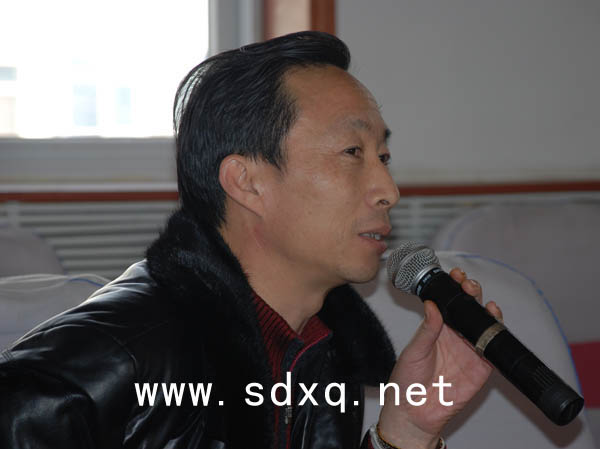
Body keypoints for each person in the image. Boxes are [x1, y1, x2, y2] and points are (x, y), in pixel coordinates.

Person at [0, 31, 502, 448]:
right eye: (352, 152)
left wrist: (407, 430)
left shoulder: (318, 348)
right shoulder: (76, 379)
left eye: (383, 157)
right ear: (247, 182)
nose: (389, 190)